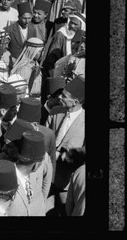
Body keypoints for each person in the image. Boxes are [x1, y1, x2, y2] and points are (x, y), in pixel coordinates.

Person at [45, 76, 85, 214]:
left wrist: (64, 156)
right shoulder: (55, 112)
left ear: (75, 102)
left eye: (64, 96)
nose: (60, 97)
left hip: (67, 182)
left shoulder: (85, 123)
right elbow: (46, 136)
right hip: (47, 175)